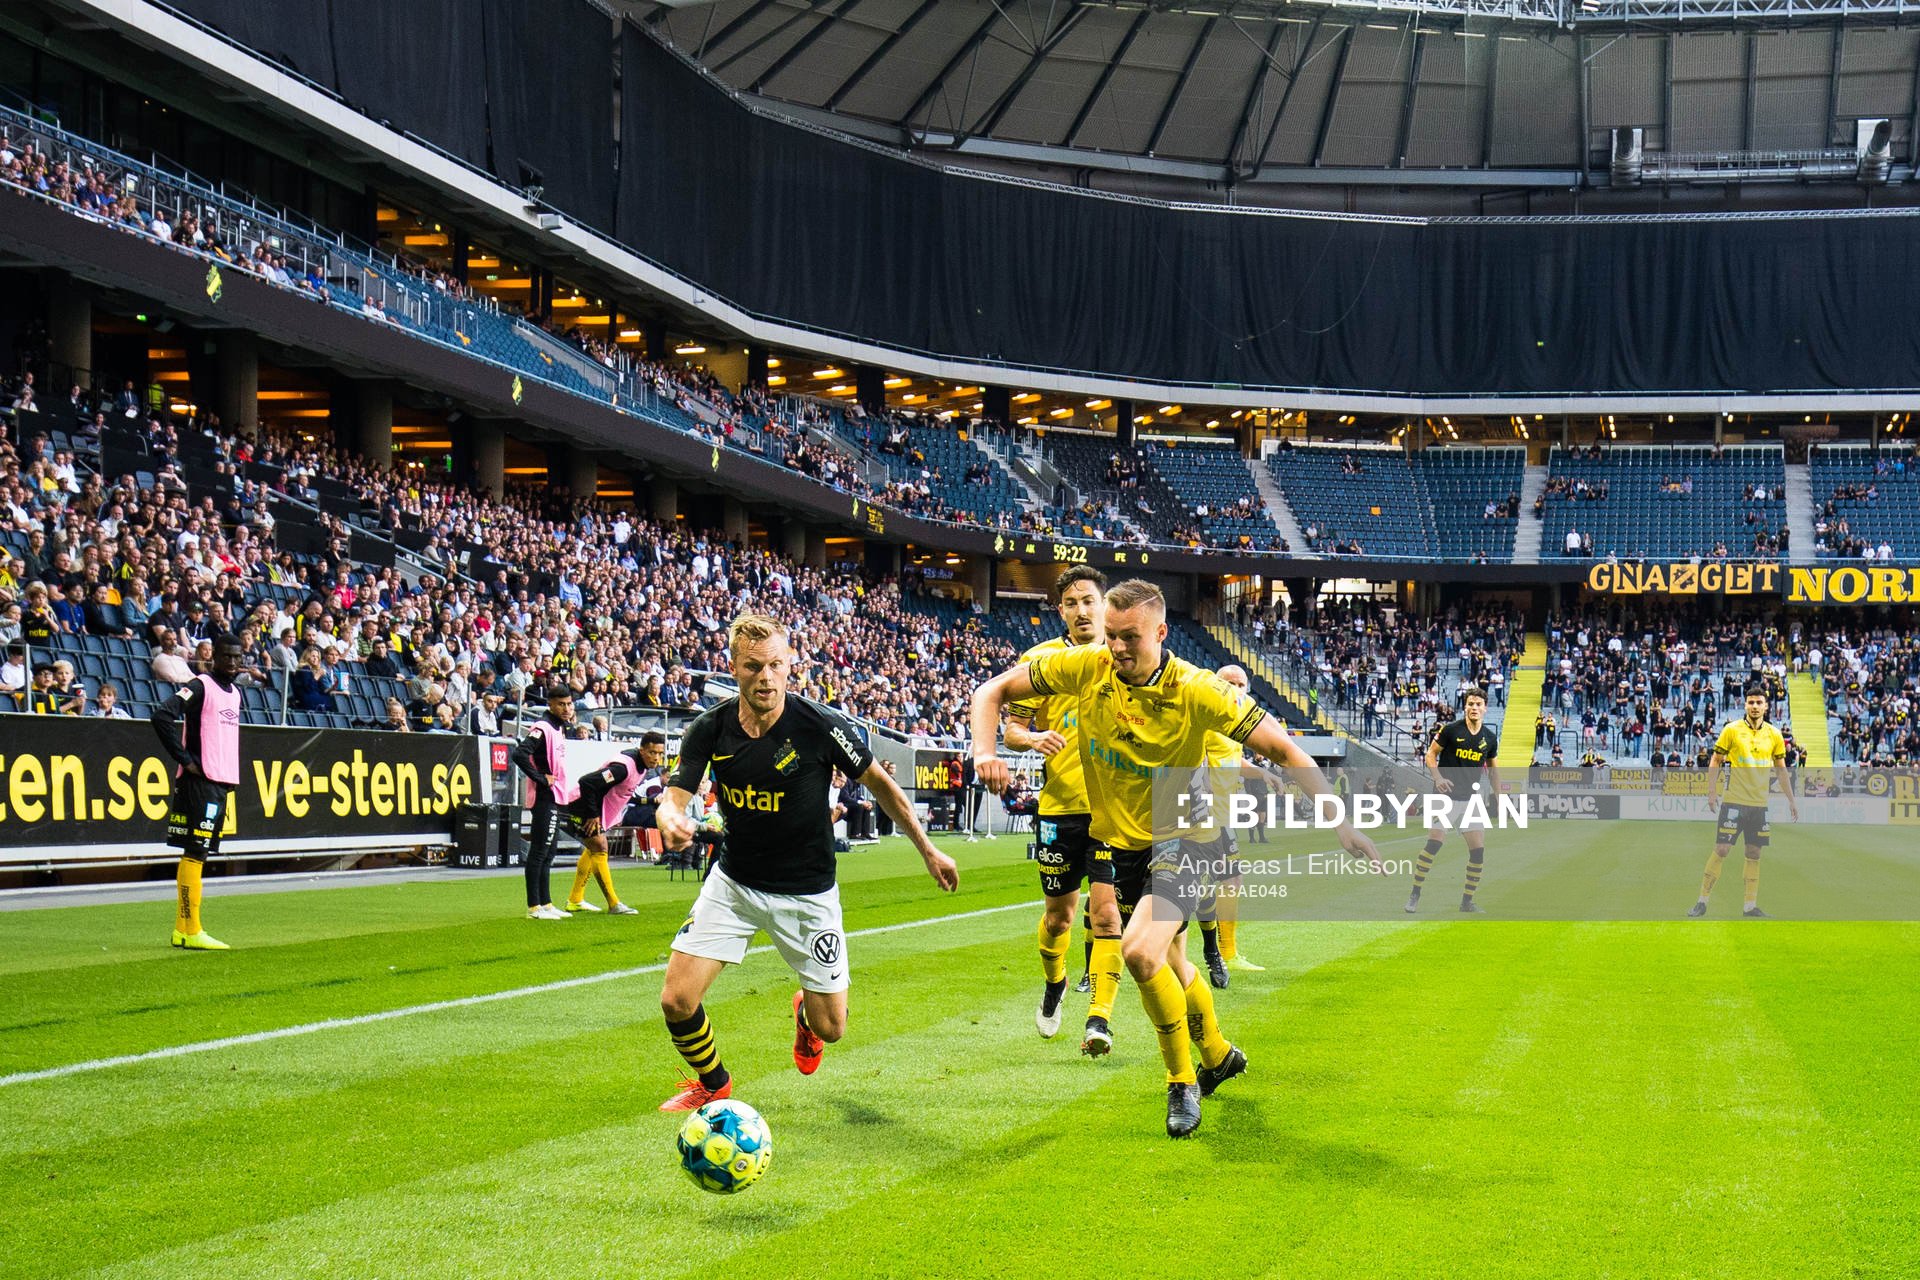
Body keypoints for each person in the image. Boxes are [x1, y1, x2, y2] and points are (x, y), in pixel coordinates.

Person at [971, 579, 1381, 1138]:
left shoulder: (1198, 689)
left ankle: (1181, 1081)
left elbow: (1285, 749)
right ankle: (1216, 1051)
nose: (1116, 649)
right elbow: (990, 692)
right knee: (1171, 965)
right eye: (1111, 636)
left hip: (1189, 838)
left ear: (1161, 633)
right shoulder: (1084, 666)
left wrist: (1341, 821)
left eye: (1131, 638)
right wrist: (985, 750)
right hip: (1124, 845)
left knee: (1140, 952)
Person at [654, 614, 958, 1112]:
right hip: (734, 884)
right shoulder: (709, 729)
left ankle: (806, 1018)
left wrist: (928, 849)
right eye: (754, 666)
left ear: (790, 663)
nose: (766, 677)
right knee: (676, 1000)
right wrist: (671, 815)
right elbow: (674, 797)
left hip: (807, 892)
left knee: (831, 1028)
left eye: (776, 664)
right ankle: (714, 1082)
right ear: (734, 667)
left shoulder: (820, 725)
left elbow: (882, 784)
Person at [1000, 566, 1120, 1049]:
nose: (1081, 610)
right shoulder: (1040, 660)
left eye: (1089, 600)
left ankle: (1100, 1019)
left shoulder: (1125, 654)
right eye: (1071, 603)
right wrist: (1030, 737)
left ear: (1104, 603)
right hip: (1058, 808)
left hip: (1114, 812)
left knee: (1108, 915)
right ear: (1061, 611)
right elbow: (1009, 728)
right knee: (1059, 919)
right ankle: (1056, 985)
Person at [150, 637, 244, 950]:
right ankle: (192, 928)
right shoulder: (200, 685)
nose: (231, 662)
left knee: (198, 852)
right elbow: (162, 715)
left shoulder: (236, 693)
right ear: (213, 657)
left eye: (236, 657)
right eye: (226, 656)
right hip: (200, 783)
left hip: (219, 783)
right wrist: (185, 759)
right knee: (196, 851)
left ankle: (181, 929)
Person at [1689, 685, 1797, 919]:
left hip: (1759, 805)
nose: (1755, 706)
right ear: (1745, 705)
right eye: (1751, 702)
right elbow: (1715, 760)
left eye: (1759, 703)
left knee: (1754, 853)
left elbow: (1781, 770)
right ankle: (1702, 901)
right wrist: (1711, 791)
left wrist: (1791, 799)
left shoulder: (1775, 735)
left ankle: (1750, 906)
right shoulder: (1732, 730)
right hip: (1734, 802)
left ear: (1766, 706)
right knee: (1722, 849)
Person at [1193, 664, 1264, 983]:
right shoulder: (1207, 720)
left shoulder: (1234, 723)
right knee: (1194, 884)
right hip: (1203, 815)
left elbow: (1233, 760)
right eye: (1229, 683)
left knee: (1226, 881)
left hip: (1223, 815)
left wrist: (1265, 774)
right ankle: (1222, 954)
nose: (1236, 689)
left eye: (1241, 684)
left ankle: (1226, 953)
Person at [1407, 686, 1503, 915]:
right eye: (1470, 704)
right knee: (1434, 844)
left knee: (1478, 851)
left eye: (1478, 704)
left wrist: (1500, 798)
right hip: (1445, 796)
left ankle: (1467, 902)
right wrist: (1438, 778)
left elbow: (1494, 771)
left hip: (1470, 799)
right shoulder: (1451, 730)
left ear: (1485, 709)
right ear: (1465, 707)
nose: (1474, 708)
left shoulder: (1489, 738)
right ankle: (1415, 893)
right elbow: (1430, 755)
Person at [508, 686, 582, 920]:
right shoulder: (542, 728)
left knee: (549, 852)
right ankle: (533, 907)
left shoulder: (558, 728)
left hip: (556, 795)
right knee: (539, 851)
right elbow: (520, 754)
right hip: (544, 797)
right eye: (561, 704)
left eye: (569, 704)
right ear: (550, 704)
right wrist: (540, 778)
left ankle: (546, 903)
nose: (567, 709)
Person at [557, 746, 645, 916]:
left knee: (593, 849)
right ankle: (614, 904)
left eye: (659, 753)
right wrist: (593, 814)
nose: (656, 757)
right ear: (642, 751)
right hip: (581, 807)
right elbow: (587, 782)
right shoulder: (621, 768)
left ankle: (575, 900)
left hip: (593, 811)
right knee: (600, 847)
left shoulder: (640, 769)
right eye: (652, 752)